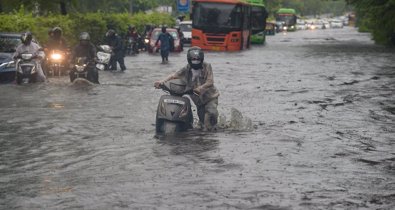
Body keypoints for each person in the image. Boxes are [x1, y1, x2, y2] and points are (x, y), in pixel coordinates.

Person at [154, 46, 220, 131]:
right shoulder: (186, 68)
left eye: (197, 59)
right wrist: (161, 82)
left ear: (201, 59)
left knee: (211, 112)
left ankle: (213, 131)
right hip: (198, 100)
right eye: (193, 59)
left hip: (210, 97)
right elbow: (174, 76)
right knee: (203, 124)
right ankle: (203, 138)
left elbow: (210, 82)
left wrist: (200, 88)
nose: (195, 61)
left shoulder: (207, 66)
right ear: (189, 60)